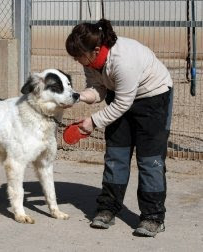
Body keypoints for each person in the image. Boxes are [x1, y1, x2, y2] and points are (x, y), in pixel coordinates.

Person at [65, 19, 173, 237]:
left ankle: (153, 217)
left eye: (79, 56)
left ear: (96, 50)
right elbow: (98, 89)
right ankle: (108, 208)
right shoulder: (91, 62)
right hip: (122, 95)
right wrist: (80, 97)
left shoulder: (123, 60)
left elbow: (123, 103)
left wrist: (92, 122)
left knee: (150, 160)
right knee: (116, 156)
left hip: (153, 98)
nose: (77, 61)